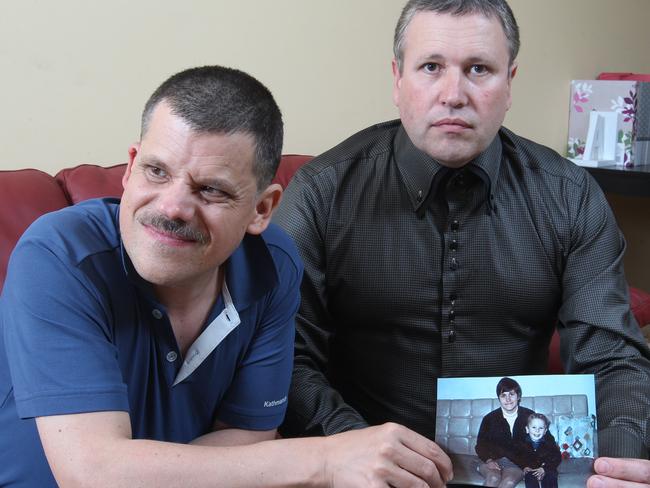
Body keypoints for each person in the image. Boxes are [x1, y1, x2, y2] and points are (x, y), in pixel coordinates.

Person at [0, 66, 453, 487]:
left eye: (211, 189)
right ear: (131, 166)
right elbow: (93, 471)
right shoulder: (59, 254)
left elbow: (247, 435)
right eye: (156, 172)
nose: (172, 207)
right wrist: (327, 458)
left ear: (261, 209)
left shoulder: (274, 264)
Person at [272, 0, 650, 486]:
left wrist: (615, 465)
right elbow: (284, 355)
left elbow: (614, 358)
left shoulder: (570, 197)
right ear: (397, 79)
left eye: (479, 69)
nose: (454, 94)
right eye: (431, 67)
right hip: (358, 470)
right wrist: (347, 441)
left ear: (510, 81)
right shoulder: (321, 193)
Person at [475, 378, 534, 487]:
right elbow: (480, 445)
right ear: (499, 398)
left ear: (518, 396)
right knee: (493, 478)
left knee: (509, 482)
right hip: (492, 459)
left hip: (516, 463)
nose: (508, 399)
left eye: (511, 394)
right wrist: (489, 460)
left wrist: (530, 464)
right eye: (503, 395)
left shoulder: (529, 416)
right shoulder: (489, 418)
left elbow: (541, 442)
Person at [516, 413, 561, 488]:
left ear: (545, 431)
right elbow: (518, 457)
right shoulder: (522, 443)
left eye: (541, 428)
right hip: (531, 469)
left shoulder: (549, 442)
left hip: (547, 467)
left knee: (551, 477)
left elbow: (556, 457)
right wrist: (524, 466)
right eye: (534, 427)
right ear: (527, 429)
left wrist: (545, 469)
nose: (537, 431)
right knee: (529, 477)